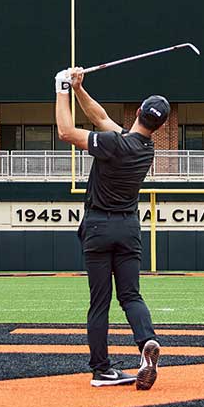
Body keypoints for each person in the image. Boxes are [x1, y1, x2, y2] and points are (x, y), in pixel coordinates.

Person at [55, 65, 167, 389]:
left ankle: (102, 369)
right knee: (131, 295)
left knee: (99, 302)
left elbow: (65, 131)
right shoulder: (144, 149)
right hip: (129, 228)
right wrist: (78, 89)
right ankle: (146, 343)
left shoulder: (114, 144)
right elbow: (100, 118)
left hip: (99, 227)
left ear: (137, 112)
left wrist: (60, 87)